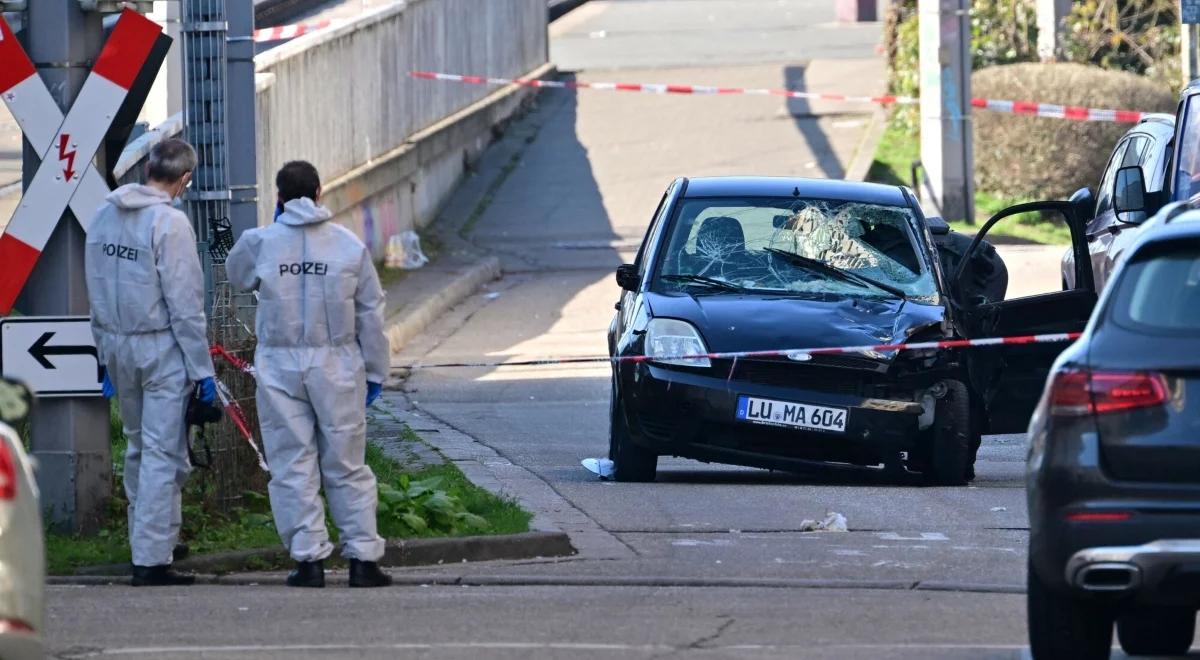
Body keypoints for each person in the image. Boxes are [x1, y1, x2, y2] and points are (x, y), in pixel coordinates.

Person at [225, 161, 391, 588]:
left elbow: (236, 275)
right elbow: (370, 312)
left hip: (280, 363)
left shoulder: (261, 242)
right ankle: (363, 559)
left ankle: (308, 560)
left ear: (278, 196)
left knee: (292, 462)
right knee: (347, 463)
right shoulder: (347, 246)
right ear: (320, 191)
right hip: (337, 363)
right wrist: (375, 371)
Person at [84, 138, 216, 587]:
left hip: (118, 347)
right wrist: (203, 373)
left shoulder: (104, 214)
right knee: (164, 454)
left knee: (141, 446)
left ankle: (153, 537)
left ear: (148, 171)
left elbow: (96, 288)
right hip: (160, 350)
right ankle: (152, 560)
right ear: (183, 180)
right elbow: (185, 304)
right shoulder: (169, 223)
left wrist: (103, 353)